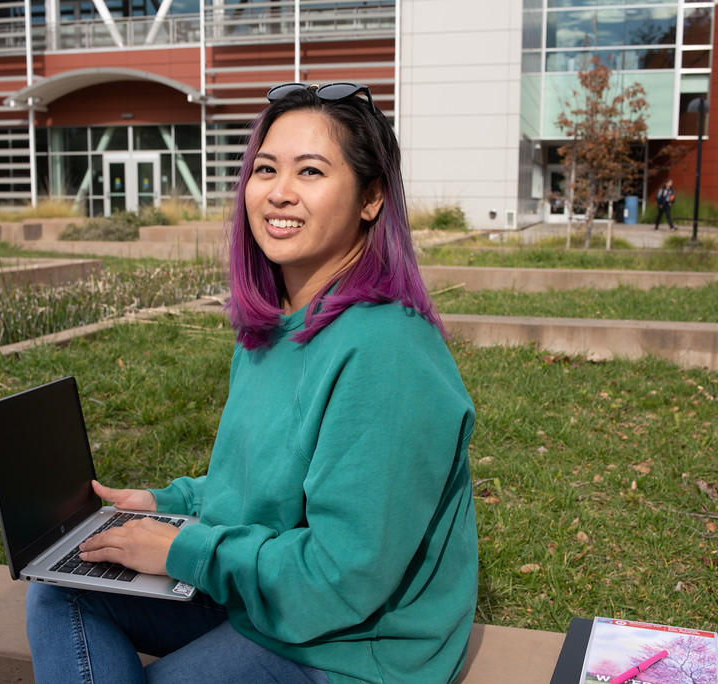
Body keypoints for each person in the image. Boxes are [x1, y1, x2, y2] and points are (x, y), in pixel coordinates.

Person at [25, 82, 479, 684]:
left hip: (352, 642)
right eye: (265, 169)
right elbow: (272, 481)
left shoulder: (386, 352)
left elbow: (344, 575)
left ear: (371, 198)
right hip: (270, 594)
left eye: (311, 171)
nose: (279, 193)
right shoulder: (270, 331)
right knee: (60, 591)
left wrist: (183, 551)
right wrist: (169, 505)